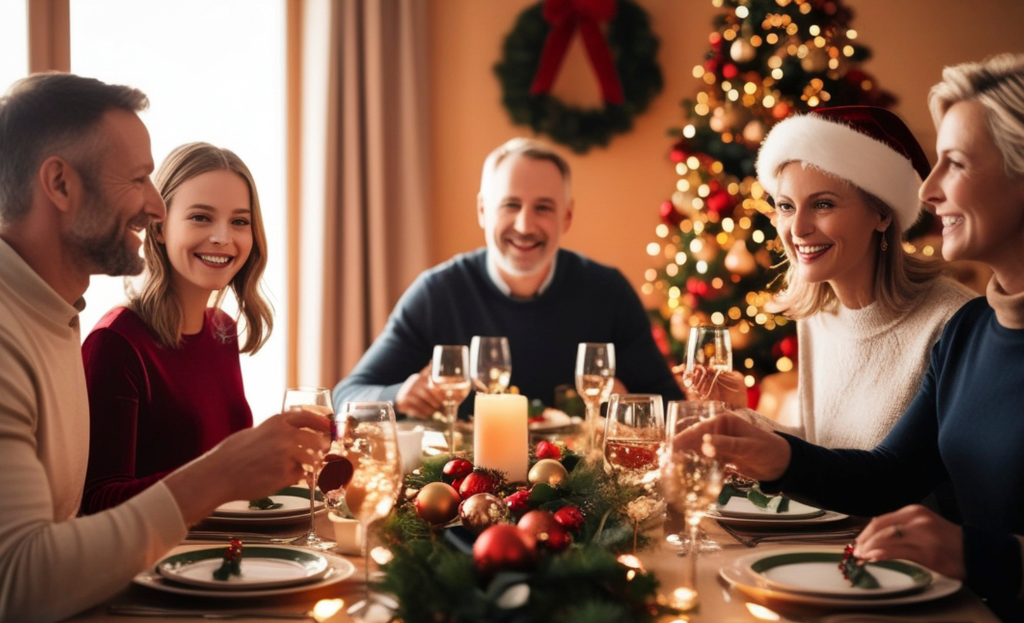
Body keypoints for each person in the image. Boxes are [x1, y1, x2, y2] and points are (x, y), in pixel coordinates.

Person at [676, 54, 1024, 622]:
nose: (930, 190)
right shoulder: (971, 332)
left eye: (956, 163)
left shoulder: (949, 319)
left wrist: (978, 555)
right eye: (786, 205)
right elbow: (886, 476)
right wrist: (763, 442)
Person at [0, 73, 328, 623]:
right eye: (137, 179)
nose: (155, 205)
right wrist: (220, 473)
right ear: (59, 184)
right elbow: (19, 584)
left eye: (239, 221)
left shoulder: (56, 318)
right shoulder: (64, 337)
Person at [333, 137, 683, 419]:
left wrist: (623, 402)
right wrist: (398, 395)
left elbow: (670, 405)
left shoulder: (608, 292)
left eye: (543, 207)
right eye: (510, 205)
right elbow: (346, 396)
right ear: (483, 210)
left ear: (567, 217)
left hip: (583, 483)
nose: (525, 226)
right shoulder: (438, 293)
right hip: (461, 481)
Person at [688, 106, 974, 450]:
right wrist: (738, 414)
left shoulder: (955, 321)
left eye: (822, 204)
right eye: (786, 206)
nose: (797, 229)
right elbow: (823, 450)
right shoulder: (818, 315)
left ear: (882, 214)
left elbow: (924, 473)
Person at [80, 142, 273, 513]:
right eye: (201, 217)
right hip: (158, 551)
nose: (223, 237)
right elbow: (97, 503)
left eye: (239, 221)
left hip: (222, 542)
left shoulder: (221, 331)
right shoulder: (116, 342)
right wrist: (224, 471)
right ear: (159, 229)